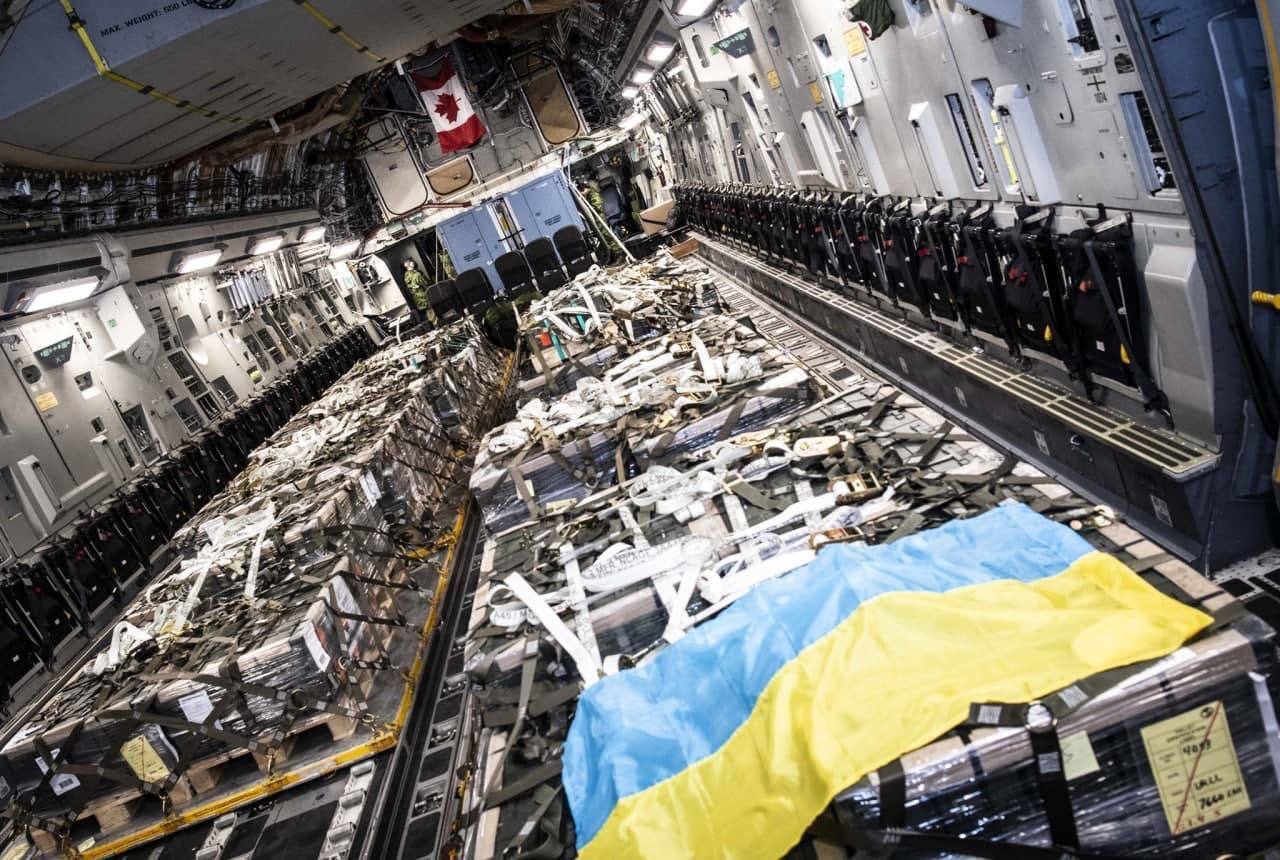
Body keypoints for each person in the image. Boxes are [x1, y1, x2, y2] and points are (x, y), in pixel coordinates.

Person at [402, 259, 437, 326]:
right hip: (423, 295)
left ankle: (432, 324)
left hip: (416, 297)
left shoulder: (406, 275)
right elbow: (425, 284)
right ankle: (435, 323)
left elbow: (409, 286)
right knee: (431, 309)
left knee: (427, 311)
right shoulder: (417, 274)